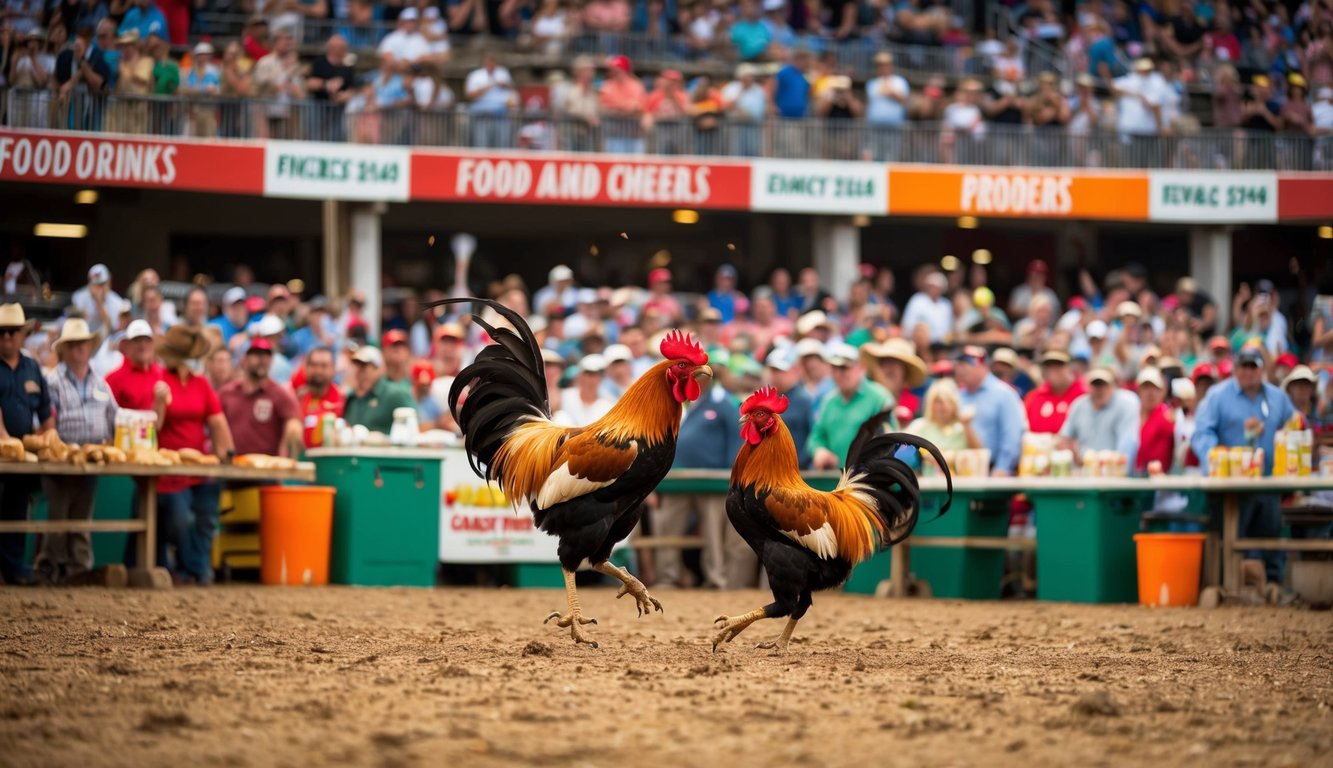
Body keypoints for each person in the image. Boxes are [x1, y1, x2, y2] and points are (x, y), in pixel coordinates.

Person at [1192, 347, 1296, 585]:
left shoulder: (1277, 397)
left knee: (1269, 536)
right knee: (1229, 537)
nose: (1248, 372)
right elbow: (1202, 433)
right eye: (1244, 366)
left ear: (1262, 369)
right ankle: (1226, 586)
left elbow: (1295, 425)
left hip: (1268, 483)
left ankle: (1273, 588)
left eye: (1253, 367)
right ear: (1236, 368)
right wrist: (1215, 460)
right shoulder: (1218, 396)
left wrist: (1289, 440)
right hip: (1230, 487)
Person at [37, 319, 117, 585]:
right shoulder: (52, 381)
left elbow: (115, 418)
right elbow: (45, 423)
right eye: (72, 345)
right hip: (61, 459)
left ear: (90, 346)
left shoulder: (101, 383)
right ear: (65, 350)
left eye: (82, 344)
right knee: (58, 514)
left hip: (91, 460)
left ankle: (78, 569)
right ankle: (50, 566)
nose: (78, 350)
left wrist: (110, 445)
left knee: (81, 515)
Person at [153, 325, 233, 585]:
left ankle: (194, 571)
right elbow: (154, 427)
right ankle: (194, 569)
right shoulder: (161, 381)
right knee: (180, 519)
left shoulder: (201, 383)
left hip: (200, 467)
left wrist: (227, 454)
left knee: (207, 516)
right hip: (170, 469)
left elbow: (217, 421)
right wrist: (158, 403)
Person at [653, 374, 749, 589]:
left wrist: (732, 474)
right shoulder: (678, 402)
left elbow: (737, 438)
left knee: (713, 531)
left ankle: (715, 578)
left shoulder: (722, 403)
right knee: (669, 525)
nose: (693, 380)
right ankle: (667, 577)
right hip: (676, 479)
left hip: (712, 480)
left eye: (698, 377)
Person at [0, 304, 52, 585]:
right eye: (2, 332)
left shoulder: (32, 366)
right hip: (4, 450)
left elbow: (45, 411)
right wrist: (4, 440)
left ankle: (14, 567)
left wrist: (50, 441)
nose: (7, 337)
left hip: (22, 454)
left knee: (17, 507)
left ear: (22, 334)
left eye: (12, 331)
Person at [808, 343, 892, 470]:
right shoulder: (829, 401)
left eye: (844, 368)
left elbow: (891, 438)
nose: (837, 374)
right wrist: (819, 450)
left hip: (869, 478)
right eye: (834, 368)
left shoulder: (879, 398)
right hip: (837, 481)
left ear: (861, 368)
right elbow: (816, 437)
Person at [219, 338, 301, 457]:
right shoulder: (227, 393)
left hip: (266, 468)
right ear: (244, 360)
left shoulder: (279, 394)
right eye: (256, 355)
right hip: (231, 466)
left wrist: (293, 428)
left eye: (266, 355)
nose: (262, 360)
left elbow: (293, 420)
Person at [953, 346, 1025, 475]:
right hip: (961, 470)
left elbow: (1012, 437)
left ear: (982, 366)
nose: (960, 369)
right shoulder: (958, 395)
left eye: (966, 364)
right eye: (958, 364)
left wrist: (1002, 468)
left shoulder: (1004, 394)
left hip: (993, 470)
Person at [1059, 368, 1141, 467]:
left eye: (1104, 385)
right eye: (1095, 385)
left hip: (1112, 471)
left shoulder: (1125, 404)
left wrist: (1120, 468)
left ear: (1113, 387)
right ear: (1088, 387)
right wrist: (1073, 455)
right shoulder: (1079, 405)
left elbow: (1128, 443)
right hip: (1083, 471)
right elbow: (1065, 438)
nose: (1099, 390)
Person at [342, 345, 415, 435]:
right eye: (357, 366)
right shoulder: (351, 397)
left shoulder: (394, 393)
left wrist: (385, 439)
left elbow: (412, 427)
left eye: (365, 366)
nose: (359, 371)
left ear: (378, 369)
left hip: (387, 448)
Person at [764, 346, 814, 469]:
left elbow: (814, 437)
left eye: (781, 371)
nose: (776, 375)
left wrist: (797, 464)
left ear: (794, 371)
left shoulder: (805, 401)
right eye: (773, 370)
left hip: (797, 472)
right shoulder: (767, 400)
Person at [905, 378, 982, 458]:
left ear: (954, 404)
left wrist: (967, 425)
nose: (943, 406)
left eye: (948, 401)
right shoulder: (919, 426)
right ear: (930, 403)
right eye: (938, 401)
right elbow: (902, 448)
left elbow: (979, 454)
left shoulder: (962, 428)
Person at [1024, 349, 1087, 434]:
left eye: (1059, 365)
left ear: (1070, 368)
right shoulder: (1034, 396)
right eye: (1048, 366)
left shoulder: (1083, 395)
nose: (1052, 370)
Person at [861, 338, 926, 419]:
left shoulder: (915, 408)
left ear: (905, 374)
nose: (888, 367)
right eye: (884, 361)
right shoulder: (865, 400)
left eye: (895, 363)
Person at [294, 346, 343, 448]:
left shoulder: (343, 399)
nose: (318, 370)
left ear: (333, 369)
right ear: (306, 368)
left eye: (324, 366)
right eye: (314, 365)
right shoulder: (297, 399)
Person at [465, 53, 515, 148]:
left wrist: (504, 85)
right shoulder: (476, 75)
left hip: (500, 114)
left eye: (493, 61)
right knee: (481, 142)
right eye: (488, 62)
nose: (490, 64)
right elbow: (469, 95)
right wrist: (488, 87)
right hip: (481, 114)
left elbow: (511, 89)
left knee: (501, 142)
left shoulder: (503, 73)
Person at [555, 353, 614, 427]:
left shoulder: (608, 405)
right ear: (580, 375)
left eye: (595, 375)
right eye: (588, 374)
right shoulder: (564, 396)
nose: (591, 379)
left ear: (601, 378)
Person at [1135, 367, 1174, 474]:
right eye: (1146, 387)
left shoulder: (1168, 415)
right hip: (1134, 479)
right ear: (1139, 390)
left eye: (1155, 388)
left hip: (1160, 482)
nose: (1150, 393)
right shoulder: (1133, 414)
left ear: (1163, 391)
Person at [70, 263, 127, 335]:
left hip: (106, 342)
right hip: (84, 338)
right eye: (96, 284)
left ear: (109, 281)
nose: (100, 288)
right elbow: (76, 325)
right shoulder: (78, 297)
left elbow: (113, 330)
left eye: (103, 284)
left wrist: (99, 303)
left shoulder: (118, 302)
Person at [900, 271, 953, 344]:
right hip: (920, 344)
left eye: (936, 287)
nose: (933, 289)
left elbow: (950, 328)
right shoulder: (917, 300)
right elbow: (907, 325)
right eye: (931, 286)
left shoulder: (946, 304)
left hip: (942, 346)